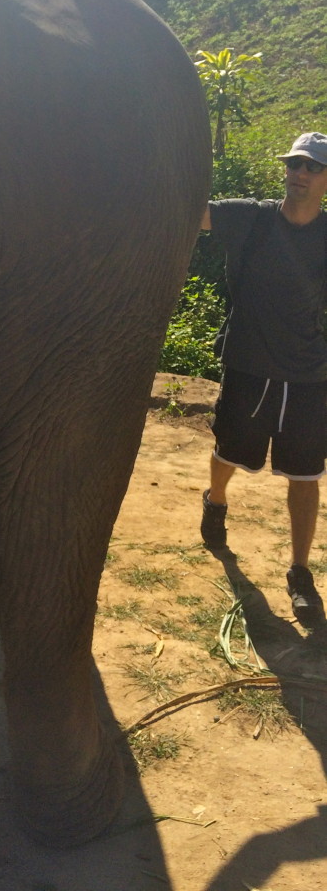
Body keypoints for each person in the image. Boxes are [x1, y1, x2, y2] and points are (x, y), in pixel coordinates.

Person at [200, 132, 327, 628]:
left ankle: (299, 571)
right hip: (249, 364)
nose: (300, 174)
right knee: (230, 453)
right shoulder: (250, 216)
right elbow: (189, 212)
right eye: (295, 164)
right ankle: (215, 501)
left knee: (306, 474)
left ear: (325, 179)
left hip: (308, 374)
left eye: (312, 167)